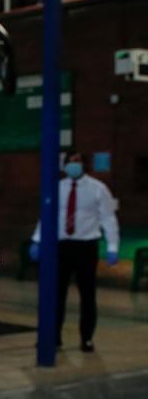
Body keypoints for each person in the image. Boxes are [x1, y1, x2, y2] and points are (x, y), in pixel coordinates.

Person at [29, 151, 121, 352]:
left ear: (84, 164)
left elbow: (108, 218)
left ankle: (86, 338)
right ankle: (54, 337)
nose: (73, 165)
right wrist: (37, 240)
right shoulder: (58, 188)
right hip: (61, 246)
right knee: (56, 294)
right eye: (70, 162)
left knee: (87, 295)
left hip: (86, 246)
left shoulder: (98, 189)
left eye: (77, 161)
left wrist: (113, 247)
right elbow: (47, 215)